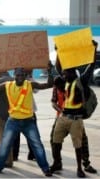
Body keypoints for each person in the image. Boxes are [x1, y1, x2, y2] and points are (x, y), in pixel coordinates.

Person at [0, 64, 54, 177]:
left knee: (37, 145)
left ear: (25, 75)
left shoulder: (30, 84)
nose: (20, 76)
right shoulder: (8, 85)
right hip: (13, 121)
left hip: (28, 121)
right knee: (5, 144)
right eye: (18, 74)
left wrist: (50, 72)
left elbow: (48, 85)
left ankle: (45, 168)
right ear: (14, 75)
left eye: (22, 74)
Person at [51, 40, 98, 177]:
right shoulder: (65, 81)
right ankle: (56, 163)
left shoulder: (81, 81)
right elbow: (58, 68)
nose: (63, 74)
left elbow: (91, 65)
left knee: (79, 145)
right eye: (63, 72)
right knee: (55, 141)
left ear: (72, 73)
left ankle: (81, 167)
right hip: (63, 117)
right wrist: (58, 51)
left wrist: (94, 49)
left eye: (65, 72)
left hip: (76, 119)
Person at [50, 76, 97, 174]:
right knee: (53, 140)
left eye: (62, 86)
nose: (61, 89)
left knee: (82, 141)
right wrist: (61, 110)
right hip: (61, 117)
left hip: (75, 118)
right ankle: (57, 162)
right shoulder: (57, 86)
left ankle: (86, 164)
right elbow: (53, 101)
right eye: (59, 87)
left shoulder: (74, 86)